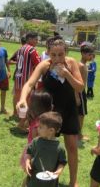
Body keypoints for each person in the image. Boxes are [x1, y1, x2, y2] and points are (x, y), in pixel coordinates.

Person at [17, 38, 84, 187]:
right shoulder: (44, 65)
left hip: (69, 110)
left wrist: (67, 74)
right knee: (42, 146)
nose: (57, 58)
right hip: (51, 112)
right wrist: (22, 98)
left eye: (61, 54)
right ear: (48, 53)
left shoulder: (71, 63)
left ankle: (74, 181)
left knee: (72, 146)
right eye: (53, 55)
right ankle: (32, 179)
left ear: (66, 52)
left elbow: (80, 87)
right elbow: (30, 83)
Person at [25, 112, 67, 187]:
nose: (38, 128)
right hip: (34, 179)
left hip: (50, 181)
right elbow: (29, 152)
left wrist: (57, 173)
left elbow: (62, 163)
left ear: (51, 130)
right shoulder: (36, 141)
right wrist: (27, 162)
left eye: (40, 127)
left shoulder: (59, 148)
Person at [20, 91, 53, 187]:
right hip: (35, 153)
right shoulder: (39, 124)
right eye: (50, 104)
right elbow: (37, 140)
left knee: (30, 176)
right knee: (32, 176)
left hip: (32, 151)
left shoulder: (36, 119)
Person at [14, 32, 41, 130]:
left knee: (21, 101)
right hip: (27, 79)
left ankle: (22, 122)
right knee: (28, 102)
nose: (37, 41)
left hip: (18, 78)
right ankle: (22, 124)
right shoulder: (32, 50)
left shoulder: (21, 48)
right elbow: (38, 64)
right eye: (36, 39)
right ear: (30, 39)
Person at [78, 44, 94, 142]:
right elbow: (80, 82)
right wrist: (77, 95)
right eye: (89, 55)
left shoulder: (82, 64)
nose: (91, 57)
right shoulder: (81, 65)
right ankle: (79, 135)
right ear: (83, 54)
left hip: (79, 91)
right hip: (80, 91)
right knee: (81, 114)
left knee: (78, 114)